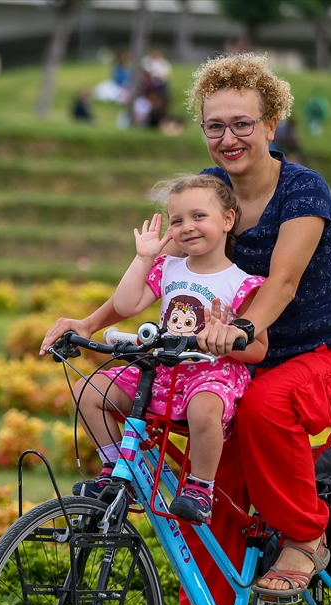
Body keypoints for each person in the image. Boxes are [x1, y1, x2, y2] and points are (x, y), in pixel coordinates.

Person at [40, 52, 331, 605]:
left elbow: (279, 283)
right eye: (215, 126)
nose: (229, 138)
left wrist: (240, 331)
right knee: (201, 513)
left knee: (267, 411)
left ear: (272, 121)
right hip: (228, 366)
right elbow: (156, 278)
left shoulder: (303, 193)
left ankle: (307, 537)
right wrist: (91, 321)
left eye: (243, 123)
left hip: (321, 356)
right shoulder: (205, 200)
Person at [66, 175, 269, 524]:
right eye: (177, 221)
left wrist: (227, 337)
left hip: (211, 372)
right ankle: (118, 469)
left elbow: (259, 349)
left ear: (228, 220)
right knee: (90, 391)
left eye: (198, 216)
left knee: (205, 409)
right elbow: (128, 303)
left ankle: (200, 488)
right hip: (163, 369)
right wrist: (144, 257)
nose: (187, 227)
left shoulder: (241, 283)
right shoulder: (168, 267)